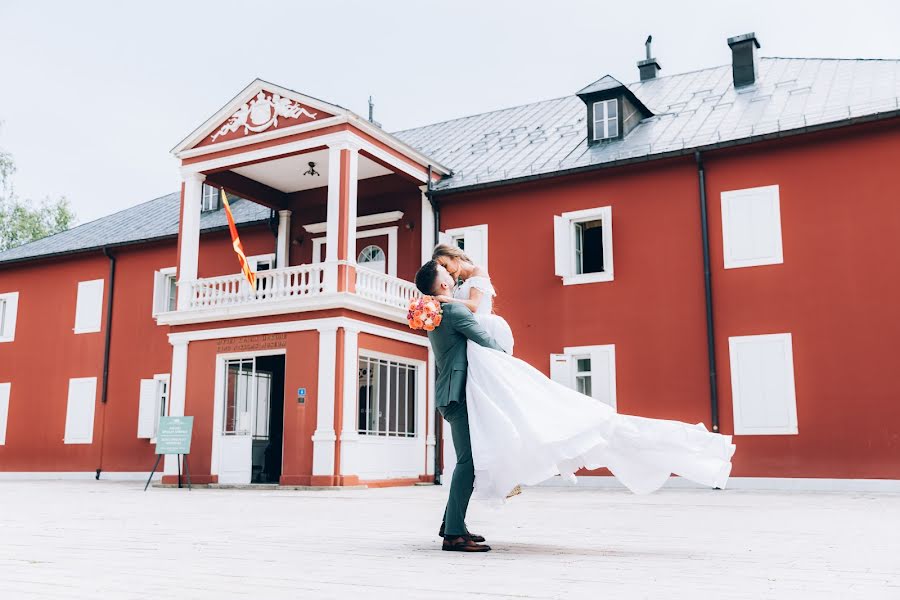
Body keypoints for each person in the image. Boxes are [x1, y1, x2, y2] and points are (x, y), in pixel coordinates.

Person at [424, 244, 736, 506]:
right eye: (441, 269)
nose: (446, 271)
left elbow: (476, 306)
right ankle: (507, 474)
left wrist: (447, 301)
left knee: (512, 402)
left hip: (487, 341)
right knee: (499, 411)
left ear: (454, 256)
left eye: (445, 263)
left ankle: (506, 474)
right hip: (477, 353)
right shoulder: (452, 293)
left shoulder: (472, 278)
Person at [414, 260, 505, 552]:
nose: (451, 275)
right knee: (468, 462)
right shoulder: (452, 310)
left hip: (449, 394)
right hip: (457, 396)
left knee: (467, 461)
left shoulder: (437, 312)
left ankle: (451, 524)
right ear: (442, 285)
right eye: (446, 274)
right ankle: (453, 534)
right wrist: (509, 358)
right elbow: (486, 342)